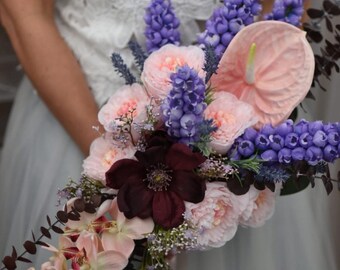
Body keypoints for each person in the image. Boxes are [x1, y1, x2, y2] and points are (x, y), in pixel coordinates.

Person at [0, 1, 338, 270]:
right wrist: (120, 173)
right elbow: (23, 11)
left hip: (223, 145)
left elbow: (278, 11)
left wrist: (215, 151)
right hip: (71, 113)